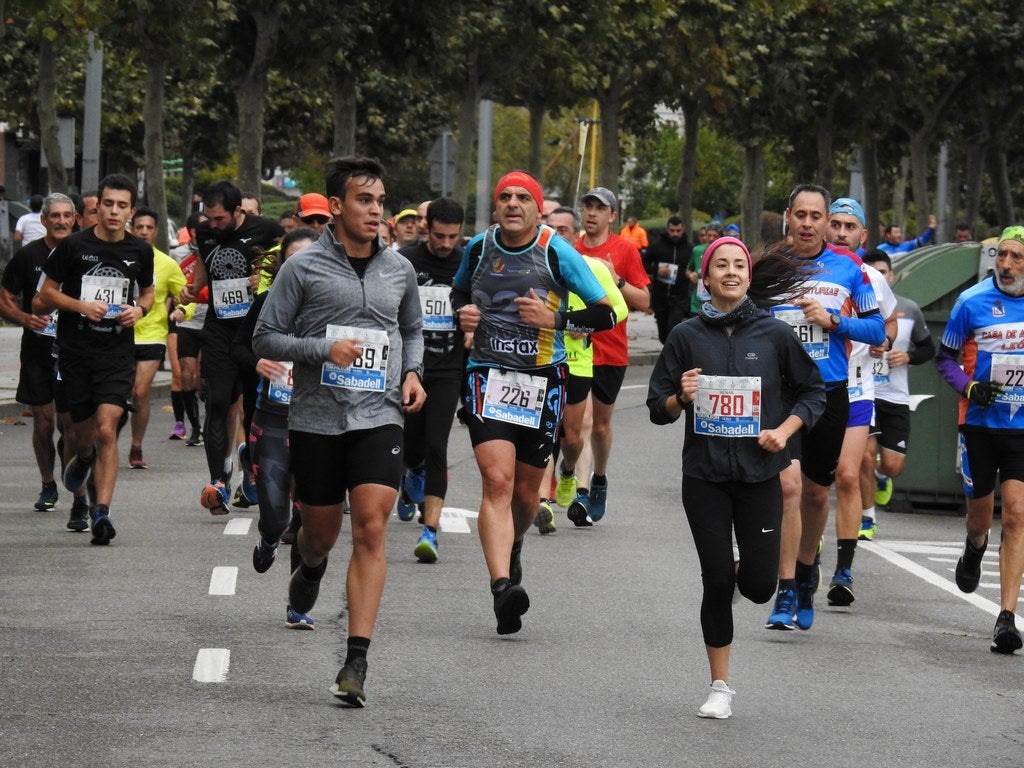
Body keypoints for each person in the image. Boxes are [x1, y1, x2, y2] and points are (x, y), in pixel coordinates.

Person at [253, 156, 426, 704]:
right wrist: (321, 349)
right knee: (323, 531)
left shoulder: (399, 270)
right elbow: (265, 338)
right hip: (317, 417)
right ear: (336, 206)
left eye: (380, 201)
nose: (376, 211)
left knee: (372, 527)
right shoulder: (301, 269)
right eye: (364, 201)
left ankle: (356, 659)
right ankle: (309, 560)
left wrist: (414, 371)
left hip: (379, 415)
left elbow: (412, 328)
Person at [648, 237, 824, 719]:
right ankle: (720, 685)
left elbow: (813, 393)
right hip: (703, 477)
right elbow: (656, 409)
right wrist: (680, 398)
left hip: (760, 475)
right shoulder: (685, 336)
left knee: (761, 587)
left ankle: (755, 563)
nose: (730, 272)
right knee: (717, 579)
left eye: (738, 265)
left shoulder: (774, 335)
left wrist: (784, 433)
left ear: (748, 276)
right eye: (719, 265)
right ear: (705, 278)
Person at [451, 171, 616, 634]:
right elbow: (459, 291)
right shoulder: (480, 248)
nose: (513, 203)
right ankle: (502, 587)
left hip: (542, 379)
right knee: (497, 482)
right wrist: (463, 312)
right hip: (487, 374)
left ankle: (514, 543)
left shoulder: (556, 251)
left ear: (538, 209)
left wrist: (557, 318)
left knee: (525, 496)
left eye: (523, 197)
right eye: (504, 195)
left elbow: (604, 311)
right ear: (495, 204)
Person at [763, 184, 885, 632]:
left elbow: (875, 331)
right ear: (788, 218)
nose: (810, 224)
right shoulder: (769, 267)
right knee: (788, 486)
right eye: (802, 215)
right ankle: (786, 586)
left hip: (829, 392)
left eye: (818, 216)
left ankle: (808, 567)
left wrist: (833, 320)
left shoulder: (849, 268)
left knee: (816, 492)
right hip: (779, 392)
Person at [36, 173, 155, 546]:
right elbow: (44, 296)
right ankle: (83, 459)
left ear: (131, 211)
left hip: (117, 353)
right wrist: (80, 306)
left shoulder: (140, 251)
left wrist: (139, 310)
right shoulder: (73, 247)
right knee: (80, 434)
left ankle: (101, 512)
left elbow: (148, 293)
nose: (114, 211)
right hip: (76, 353)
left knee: (108, 429)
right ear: (97, 207)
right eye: (108, 204)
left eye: (122, 206)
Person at [934, 225, 1024, 654]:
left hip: (1022, 429)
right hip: (980, 423)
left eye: (1016, 257)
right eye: (1002, 256)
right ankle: (974, 546)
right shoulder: (970, 303)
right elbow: (944, 358)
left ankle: (1005, 617)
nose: (1006, 265)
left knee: (1017, 515)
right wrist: (969, 387)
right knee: (981, 517)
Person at [179, 181, 283, 514]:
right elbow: (202, 276)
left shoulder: (266, 229)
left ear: (238, 211)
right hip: (219, 330)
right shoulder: (207, 235)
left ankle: (250, 468)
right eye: (209, 218)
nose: (213, 225)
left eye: (220, 218)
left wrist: (267, 276)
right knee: (219, 401)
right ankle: (218, 482)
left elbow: (291, 264)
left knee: (254, 409)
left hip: (255, 331)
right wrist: (190, 291)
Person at [233, 226, 318, 628]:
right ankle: (268, 538)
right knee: (276, 516)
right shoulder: (267, 302)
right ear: (282, 266)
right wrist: (258, 362)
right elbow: (237, 344)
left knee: (310, 517)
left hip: (320, 421)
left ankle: (297, 604)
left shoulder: (334, 309)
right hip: (273, 418)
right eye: (293, 263)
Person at [823, 198, 897, 606]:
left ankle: (844, 570)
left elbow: (889, 320)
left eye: (850, 226)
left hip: (856, 388)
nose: (840, 232)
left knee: (848, 476)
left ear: (863, 235)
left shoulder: (871, 276)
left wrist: (882, 341)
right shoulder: (811, 271)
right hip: (816, 389)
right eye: (834, 224)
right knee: (811, 483)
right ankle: (806, 556)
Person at [561, 187, 650, 524]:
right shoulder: (571, 251)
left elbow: (643, 301)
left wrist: (617, 279)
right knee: (579, 423)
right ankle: (580, 492)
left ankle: (599, 478)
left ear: (612, 216)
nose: (593, 213)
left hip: (611, 350)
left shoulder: (625, 249)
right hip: (575, 351)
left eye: (601, 208)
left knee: (599, 427)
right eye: (588, 206)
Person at [536, 207, 627, 531]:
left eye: (564, 230)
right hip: (543, 361)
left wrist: (585, 325)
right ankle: (543, 502)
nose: (556, 236)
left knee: (573, 438)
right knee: (544, 430)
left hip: (578, 363)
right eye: (551, 229)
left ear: (576, 237)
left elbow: (620, 308)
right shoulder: (535, 268)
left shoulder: (591, 268)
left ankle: (570, 471)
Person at [396, 197, 467, 562]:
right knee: (412, 446)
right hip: (410, 368)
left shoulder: (467, 261)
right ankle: (412, 473)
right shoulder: (406, 260)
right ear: (427, 228)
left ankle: (431, 531)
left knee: (438, 445)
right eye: (439, 235)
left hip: (448, 370)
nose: (445, 244)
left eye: (452, 237)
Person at [0, 193, 76, 512]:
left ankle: (76, 483)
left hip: (75, 350)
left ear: (76, 219)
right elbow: (5, 298)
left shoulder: (84, 253)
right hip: (38, 350)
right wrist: (24, 318)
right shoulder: (27, 255)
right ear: (43, 220)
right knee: (44, 421)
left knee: (70, 425)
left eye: (66, 215)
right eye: (54, 216)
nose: (60, 221)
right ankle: (48, 484)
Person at [860, 250, 934, 538]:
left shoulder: (909, 309)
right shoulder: (856, 307)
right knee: (866, 456)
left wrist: (908, 357)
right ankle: (867, 519)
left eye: (884, 272)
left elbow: (929, 349)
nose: (879, 277)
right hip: (865, 393)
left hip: (895, 397)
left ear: (891, 275)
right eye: (873, 272)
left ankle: (881, 477)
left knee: (892, 466)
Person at [127, 206, 186, 469]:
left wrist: (183, 309)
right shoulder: (119, 256)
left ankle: (136, 445)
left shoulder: (167, 263)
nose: (143, 232)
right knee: (119, 394)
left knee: (140, 392)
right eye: (139, 227)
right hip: (121, 334)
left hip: (152, 335)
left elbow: (187, 293)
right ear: (131, 229)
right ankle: (106, 439)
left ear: (156, 232)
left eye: (149, 228)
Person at [167, 211, 207, 446]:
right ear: (191, 232)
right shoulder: (177, 255)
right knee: (186, 375)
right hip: (186, 322)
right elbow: (172, 286)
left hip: (210, 321)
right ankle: (195, 428)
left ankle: (210, 416)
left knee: (204, 379)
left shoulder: (215, 250)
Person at [644, 215, 693, 343]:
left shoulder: (689, 248)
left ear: (683, 229)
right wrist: (656, 270)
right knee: (663, 335)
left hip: (679, 297)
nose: (675, 234)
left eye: (678, 231)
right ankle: (669, 354)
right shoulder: (657, 246)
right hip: (660, 296)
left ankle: (672, 360)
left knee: (673, 330)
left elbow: (695, 267)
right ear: (667, 229)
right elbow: (642, 264)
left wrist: (690, 274)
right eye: (672, 231)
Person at [687, 222, 723, 317]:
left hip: (717, 304)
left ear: (721, 237)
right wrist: (691, 275)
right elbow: (687, 270)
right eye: (709, 235)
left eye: (715, 236)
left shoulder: (725, 253)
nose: (711, 238)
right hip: (697, 303)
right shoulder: (697, 251)